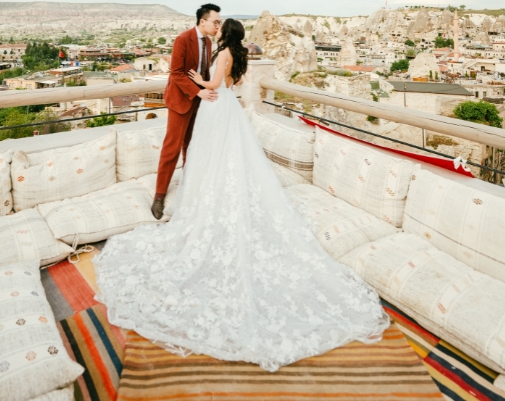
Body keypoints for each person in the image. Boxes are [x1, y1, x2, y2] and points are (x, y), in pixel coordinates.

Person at [93, 18, 389, 371]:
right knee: (227, 158)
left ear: (225, 33)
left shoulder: (222, 54)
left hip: (216, 109)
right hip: (229, 108)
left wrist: (194, 79)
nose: (215, 30)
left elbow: (215, 85)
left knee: (211, 156)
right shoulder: (240, 54)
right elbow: (233, 84)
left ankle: (209, 201)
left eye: (219, 27)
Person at [151, 4, 220, 221]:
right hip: (181, 100)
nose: (218, 25)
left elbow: (204, 72)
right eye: (215, 22)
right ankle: (159, 195)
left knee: (192, 147)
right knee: (172, 147)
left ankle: (189, 187)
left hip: (200, 102)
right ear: (203, 21)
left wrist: (207, 91)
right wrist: (197, 93)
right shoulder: (183, 39)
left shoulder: (208, 42)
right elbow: (177, 73)